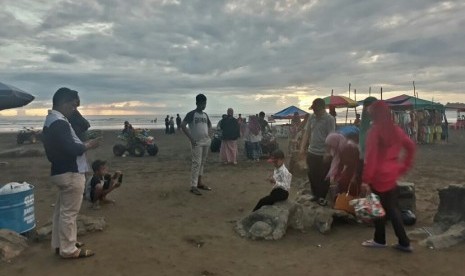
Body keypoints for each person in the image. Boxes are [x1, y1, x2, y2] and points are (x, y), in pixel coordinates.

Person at [42, 87, 100, 259]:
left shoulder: (52, 120)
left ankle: (62, 244)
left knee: (62, 211)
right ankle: (68, 249)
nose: (75, 110)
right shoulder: (59, 122)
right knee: (69, 213)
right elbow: (71, 148)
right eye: (73, 106)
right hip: (70, 172)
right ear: (64, 103)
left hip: (61, 170)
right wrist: (89, 145)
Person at [361, 100, 416, 252]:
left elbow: (371, 158)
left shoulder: (374, 132)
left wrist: (366, 179)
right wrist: (404, 166)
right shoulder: (396, 130)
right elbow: (410, 146)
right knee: (393, 209)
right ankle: (404, 242)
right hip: (392, 175)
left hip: (377, 176)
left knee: (376, 208)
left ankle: (379, 240)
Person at [299, 98, 335, 206]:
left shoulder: (330, 119)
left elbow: (331, 136)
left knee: (323, 176)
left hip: (323, 152)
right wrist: (302, 148)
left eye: (316, 109)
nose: (314, 111)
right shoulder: (311, 117)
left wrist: (328, 152)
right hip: (312, 151)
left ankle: (322, 197)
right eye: (313, 109)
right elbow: (307, 133)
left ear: (322, 108)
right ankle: (315, 195)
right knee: (312, 174)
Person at [181, 94, 213, 196]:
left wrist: (209, 135)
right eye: (202, 103)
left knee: (202, 162)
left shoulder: (205, 115)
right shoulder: (191, 114)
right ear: (197, 103)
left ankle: (199, 182)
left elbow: (209, 124)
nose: (203, 105)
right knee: (196, 163)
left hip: (206, 141)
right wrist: (191, 138)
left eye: (205, 103)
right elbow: (183, 125)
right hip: (196, 142)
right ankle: (193, 186)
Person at [325, 133, 361, 200]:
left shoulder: (350, 148)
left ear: (335, 142)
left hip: (355, 170)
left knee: (350, 186)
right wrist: (336, 176)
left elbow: (357, 163)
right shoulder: (339, 149)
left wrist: (354, 176)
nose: (330, 148)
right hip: (349, 170)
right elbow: (339, 164)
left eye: (331, 145)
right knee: (342, 183)